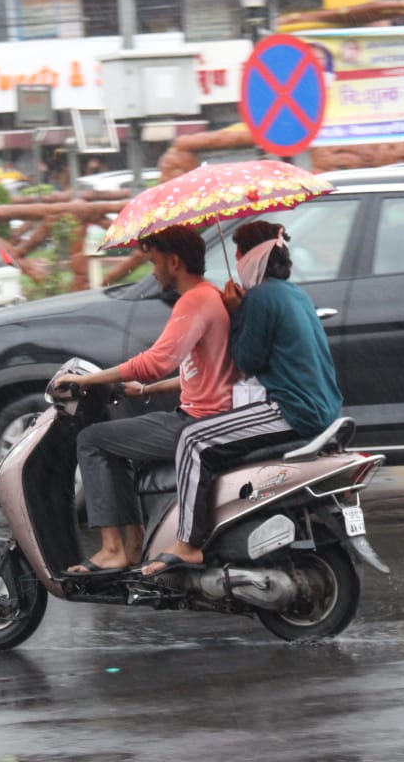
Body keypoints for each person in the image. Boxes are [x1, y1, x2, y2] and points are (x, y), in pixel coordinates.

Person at [140, 220, 343, 577]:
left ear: (250, 256)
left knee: (193, 438)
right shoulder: (293, 293)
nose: (235, 259)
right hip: (324, 407)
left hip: (292, 409)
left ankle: (188, 544)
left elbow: (247, 360)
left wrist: (236, 314)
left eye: (238, 252)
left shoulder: (262, 298)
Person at [48, 225, 239, 574]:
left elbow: (154, 363)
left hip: (198, 422)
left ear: (174, 261)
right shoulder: (212, 295)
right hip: (212, 415)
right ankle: (133, 545)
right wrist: (147, 390)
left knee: (92, 440)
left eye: (154, 261)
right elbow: (200, 373)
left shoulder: (194, 300)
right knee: (119, 443)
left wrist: (87, 379)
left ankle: (112, 549)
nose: (152, 271)